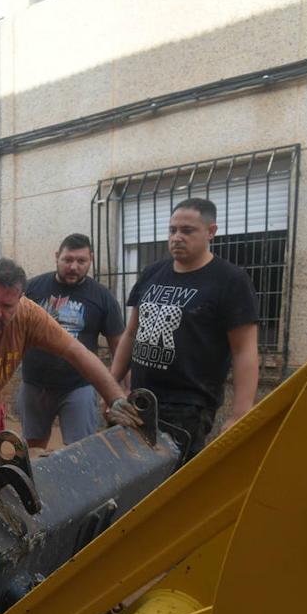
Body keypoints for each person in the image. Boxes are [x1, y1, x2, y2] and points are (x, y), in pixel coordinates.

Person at [0, 260, 140, 473]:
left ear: (20, 301)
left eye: (7, 306)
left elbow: (77, 352)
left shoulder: (28, 315)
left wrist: (116, 399)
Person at [111, 198, 259, 463]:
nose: (177, 237)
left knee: (169, 482)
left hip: (187, 408)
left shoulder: (230, 280)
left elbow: (244, 350)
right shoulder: (153, 273)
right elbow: (131, 333)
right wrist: (111, 387)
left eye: (187, 231)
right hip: (139, 399)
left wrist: (241, 413)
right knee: (127, 475)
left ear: (211, 231)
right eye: (172, 230)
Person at [18, 234, 125, 448]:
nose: (74, 266)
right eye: (68, 260)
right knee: (33, 448)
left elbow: (119, 346)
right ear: (57, 256)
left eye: (81, 261)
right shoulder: (32, 289)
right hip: (34, 385)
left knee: (81, 450)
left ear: (91, 260)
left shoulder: (102, 297)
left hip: (79, 387)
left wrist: (119, 391)